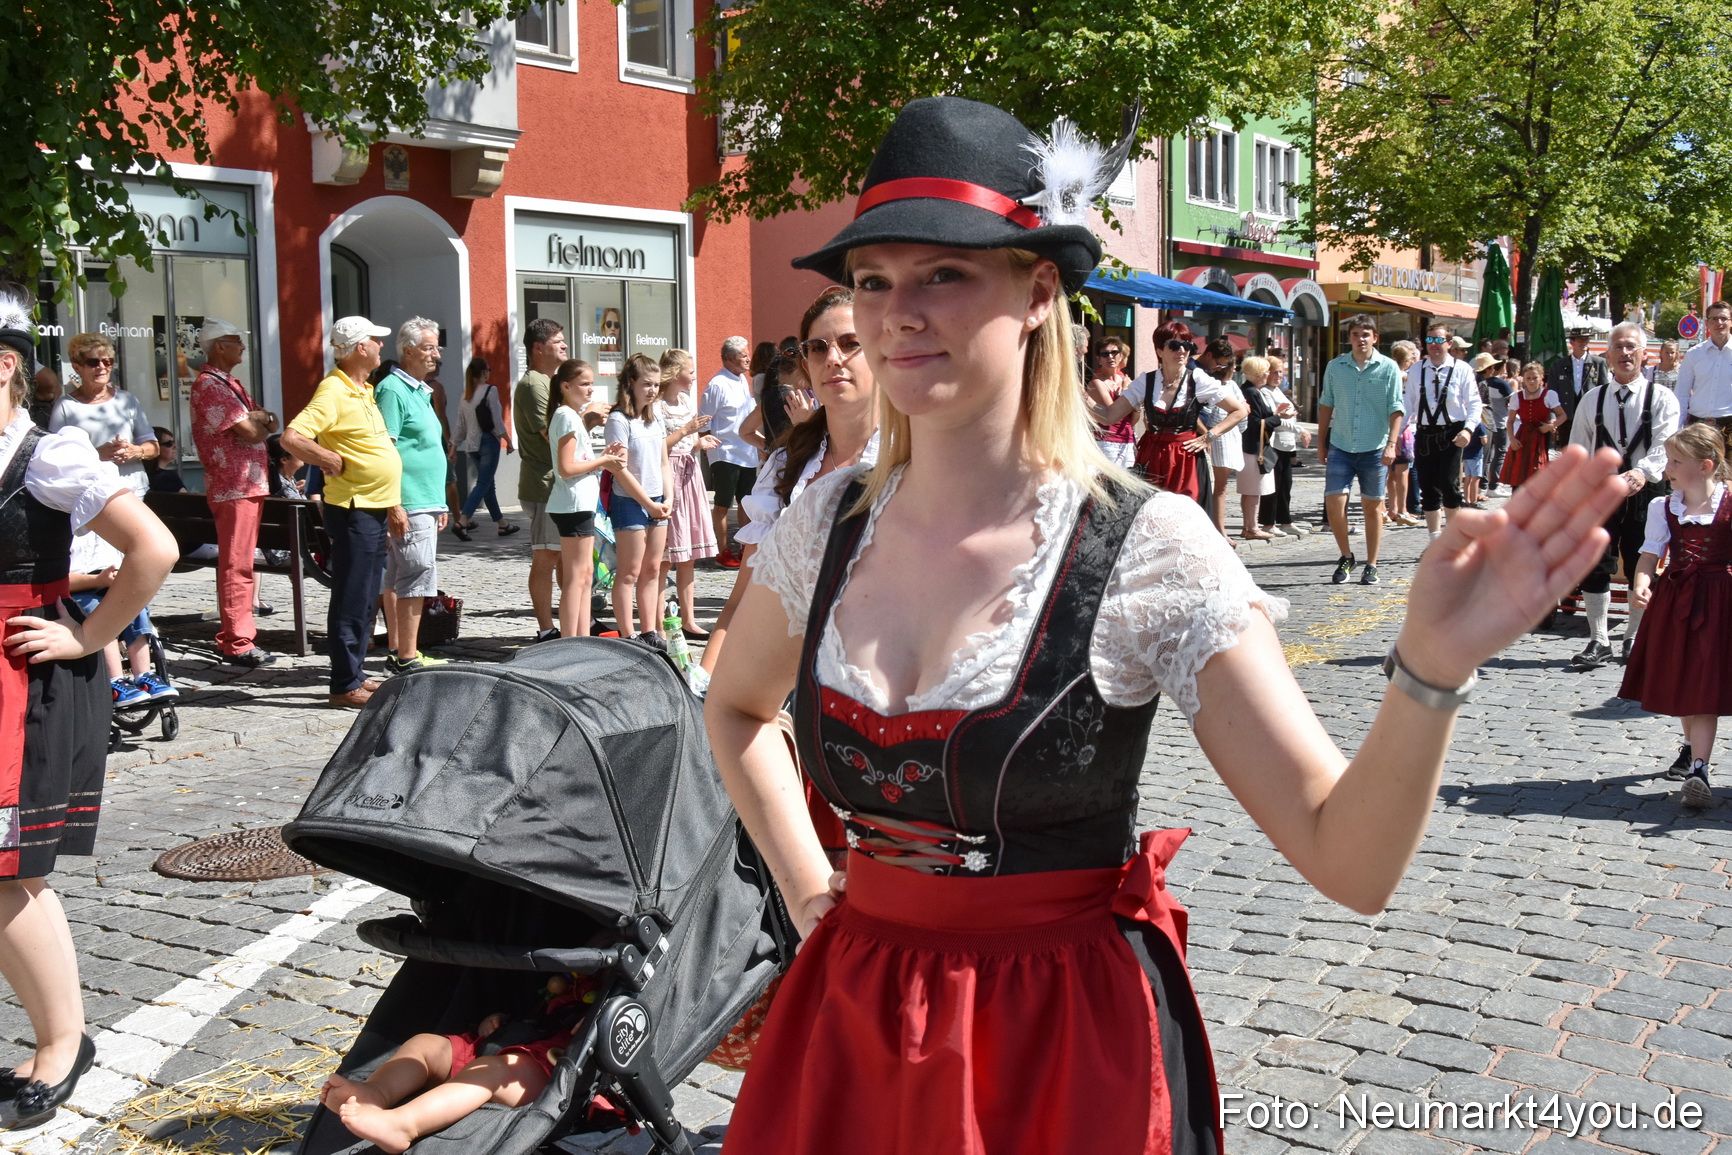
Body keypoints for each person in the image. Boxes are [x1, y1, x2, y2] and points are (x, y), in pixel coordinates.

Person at [702, 95, 1625, 1155]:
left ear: (1039, 290)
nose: (896, 312)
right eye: (873, 281)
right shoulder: (826, 523)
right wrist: (810, 886)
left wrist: (1430, 667)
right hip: (852, 1021)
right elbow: (733, 704)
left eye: (943, 274)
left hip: (1053, 1049)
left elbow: (1347, 861)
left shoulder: (1145, 544)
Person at [0, 284, 177, 1131]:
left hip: (22, 681)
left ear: (1, 366)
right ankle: (57, 1034)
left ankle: (63, 1041)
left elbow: (155, 548)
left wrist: (86, 636)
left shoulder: (45, 454)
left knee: (8, 874)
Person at [701, 286, 879, 678]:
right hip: (787, 688)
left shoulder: (914, 456)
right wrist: (705, 687)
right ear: (806, 363)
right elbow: (740, 604)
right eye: (818, 347)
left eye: (851, 343)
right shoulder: (787, 463)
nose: (833, 358)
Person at [319, 972, 597, 1154]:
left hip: (546, 1070)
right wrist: (500, 1019)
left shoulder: (613, 992)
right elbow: (535, 1008)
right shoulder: (565, 981)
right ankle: (376, 1092)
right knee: (426, 1043)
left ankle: (403, 1125)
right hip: (501, 1044)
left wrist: (599, 1023)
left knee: (490, 1070)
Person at [281, 316, 405, 708]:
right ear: (358, 348)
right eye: (375, 340)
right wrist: (326, 459)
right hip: (352, 509)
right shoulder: (333, 391)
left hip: (371, 506)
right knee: (352, 596)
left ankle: (355, 673)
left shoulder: (362, 390)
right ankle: (343, 684)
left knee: (367, 594)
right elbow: (292, 436)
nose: (381, 346)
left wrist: (394, 504)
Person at [1620, 424, 1732, 808]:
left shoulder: (1730, 503)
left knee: (1703, 686)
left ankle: (1699, 767)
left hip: (1720, 600)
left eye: (1675, 461)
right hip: (1676, 601)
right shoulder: (1663, 506)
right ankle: (1691, 747)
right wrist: (1640, 582)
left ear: (1705, 466)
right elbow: (1650, 553)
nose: (1667, 468)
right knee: (1685, 680)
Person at [1567, 321, 1680, 670]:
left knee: (1640, 562)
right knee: (1595, 562)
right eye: (1618, 347)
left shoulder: (1661, 397)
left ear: (1644, 353)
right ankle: (1599, 640)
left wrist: (1641, 472)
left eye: (1631, 346)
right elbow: (1578, 448)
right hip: (1601, 493)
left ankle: (1634, 637)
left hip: (1647, 493)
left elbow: (1666, 444)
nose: (1625, 353)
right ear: (1609, 354)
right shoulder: (1592, 399)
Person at [188, 318, 278, 667]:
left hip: (247, 483)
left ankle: (237, 636)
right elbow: (254, 432)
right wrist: (259, 420)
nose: (243, 346)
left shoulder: (230, 384)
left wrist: (261, 419)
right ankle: (237, 640)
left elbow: (269, 422)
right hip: (233, 485)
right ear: (218, 346)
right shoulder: (210, 385)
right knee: (237, 564)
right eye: (236, 341)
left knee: (241, 563)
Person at [1091, 321, 1246, 502]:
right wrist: (1078, 396)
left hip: (1185, 459)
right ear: (1159, 351)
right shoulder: (1146, 381)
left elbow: (1239, 410)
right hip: (1152, 456)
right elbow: (1109, 416)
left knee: (1185, 515)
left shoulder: (1198, 379)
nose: (1181, 351)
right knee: (1150, 513)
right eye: (1174, 345)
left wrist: (1208, 437)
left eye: (1187, 345)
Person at [375, 319, 452, 675]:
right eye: (428, 348)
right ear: (408, 351)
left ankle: (398, 649)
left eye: (436, 348)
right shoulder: (393, 389)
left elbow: (426, 447)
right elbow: (384, 450)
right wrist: (394, 503)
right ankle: (407, 655)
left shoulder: (420, 389)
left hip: (424, 500)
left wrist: (440, 502)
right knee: (417, 575)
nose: (436, 354)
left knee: (399, 575)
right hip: (408, 499)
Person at [1318, 315, 1404, 584]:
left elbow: (1396, 408)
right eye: (1355, 334)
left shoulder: (1388, 368)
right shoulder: (1335, 366)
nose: (1360, 339)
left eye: (1366, 334)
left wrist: (1391, 444)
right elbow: (1325, 405)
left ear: (1375, 338)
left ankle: (1372, 563)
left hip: (1374, 447)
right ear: (1350, 338)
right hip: (1341, 444)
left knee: (1372, 507)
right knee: (1334, 503)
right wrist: (1322, 441)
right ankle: (1346, 556)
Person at [546, 360, 622, 639]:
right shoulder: (566, 416)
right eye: (584, 384)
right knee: (577, 577)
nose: (590, 389)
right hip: (573, 503)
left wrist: (601, 458)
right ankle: (571, 640)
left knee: (585, 574)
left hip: (580, 502)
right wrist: (602, 461)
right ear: (566, 386)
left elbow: (578, 461)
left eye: (591, 383)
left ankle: (581, 638)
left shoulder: (570, 416)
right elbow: (566, 468)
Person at [604, 354, 671, 638]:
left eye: (656, 385)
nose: (652, 390)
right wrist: (648, 504)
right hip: (629, 501)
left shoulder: (655, 420)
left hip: (658, 501)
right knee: (630, 571)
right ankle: (629, 634)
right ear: (631, 383)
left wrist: (668, 499)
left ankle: (650, 631)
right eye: (646, 384)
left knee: (653, 570)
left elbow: (664, 463)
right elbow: (619, 470)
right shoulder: (619, 420)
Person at [656, 348, 721, 638]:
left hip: (689, 473)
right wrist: (686, 431)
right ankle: (656, 622)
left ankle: (688, 619)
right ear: (675, 373)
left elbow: (688, 442)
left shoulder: (683, 400)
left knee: (688, 554)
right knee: (665, 556)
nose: (694, 377)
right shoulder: (657, 405)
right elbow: (658, 446)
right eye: (691, 372)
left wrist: (700, 442)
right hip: (668, 474)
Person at [51, 333, 159, 495]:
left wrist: (134, 451)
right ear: (77, 368)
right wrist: (96, 455)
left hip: (132, 489)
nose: (102, 367)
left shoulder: (127, 400)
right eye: (93, 362)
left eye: (107, 361)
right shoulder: (65, 407)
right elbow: (55, 459)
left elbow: (154, 448)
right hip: (91, 493)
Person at [1405, 322, 1483, 539]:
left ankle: (1454, 539)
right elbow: (1407, 404)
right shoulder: (1416, 369)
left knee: (1450, 486)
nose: (1434, 345)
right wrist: (1393, 437)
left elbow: (1475, 403)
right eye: (1430, 340)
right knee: (1428, 488)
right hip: (1424, 433)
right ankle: (1435, 540)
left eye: (1439, 340)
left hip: (1452, 433)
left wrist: (1468, 430)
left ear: (1449, 343)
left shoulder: (1462, 369)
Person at [515, 318, 567, 642]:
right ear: (539, 348)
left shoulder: (547, 382)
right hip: (543, 484)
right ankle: (546, 629)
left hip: (556, 483)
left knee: (562, 555)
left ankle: (575, 621)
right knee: (546, 555)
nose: (564, 345)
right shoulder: (535, 384)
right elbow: (554, 436)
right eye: (557, 341)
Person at [700, 336, 757, 569]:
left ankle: (744, 547)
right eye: (744, 355)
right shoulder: (716, 385)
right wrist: (705, 445)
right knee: (723, 503)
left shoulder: (743, 380)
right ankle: (722, 549)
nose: (748, 359)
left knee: (746, 502)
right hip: (725, 453)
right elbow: (704, 421)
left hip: (747, 451)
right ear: (731, 358)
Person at [456, 357, 518, 538]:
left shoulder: (465, 395)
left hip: (471, 444)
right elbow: (497, 421)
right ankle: (463, 520)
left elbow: (460, 425)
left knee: (488, 485)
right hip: (488, 442)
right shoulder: (490, 391)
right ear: (484, 372)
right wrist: (508, 440)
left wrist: (453, 447)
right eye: (489, 370)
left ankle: (502, 524)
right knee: (483, 483)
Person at [1256, 353, 1311, 537]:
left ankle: (1285, 520)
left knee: (1285, 485)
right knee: (1273, 485)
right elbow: (1276, 419)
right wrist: (1299, 430)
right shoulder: (1265, 391)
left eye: (1281, 372)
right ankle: (1268, 522)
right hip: (1275, 444)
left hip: (1286, 445)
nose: (1279, 376)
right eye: (1275, 372)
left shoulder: (1278, 391)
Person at [1500, 362, 1566, 489]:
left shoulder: (1549, 395)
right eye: (1528, 378)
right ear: (1523, 379)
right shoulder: (1517, 397)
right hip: (1523, 436)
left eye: (1535, 378)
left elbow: (1563, 415)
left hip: (1541, 436)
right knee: (1519, 469)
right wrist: (1512, 439)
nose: (1531, 381)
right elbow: (1510, 421)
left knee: (1538, 469)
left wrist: (1550, 426)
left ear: (1541, 377)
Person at [1235, 355, 1279, 540]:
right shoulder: (1251, 391)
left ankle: (1249, 526)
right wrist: (1277, 418)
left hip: (1251, 445)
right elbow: (1256, 421)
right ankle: (1251, 527)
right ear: (1259, 373)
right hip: (1253, 446)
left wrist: (1275, 413)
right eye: (1267, 371)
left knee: (1251, 489)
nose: (1269, 374)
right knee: (1253, 489)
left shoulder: (1250, 390)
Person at [1676, 300, 1732, 440]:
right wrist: (1677, 427)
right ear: (1707, 323)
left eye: (1724, 318)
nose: (1719, 322)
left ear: (1731, 322)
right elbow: (1681, 395)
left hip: (1729, 425)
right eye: (1714, 319)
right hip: (1697, 425)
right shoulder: (1694, 354)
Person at [1546, 326, 1608, 444]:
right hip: (1566, 416)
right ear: (1572, 342)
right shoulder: (1558, 365)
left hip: (1591, 415)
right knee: (1567, 450)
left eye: (1586, 339)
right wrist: (1553, 416)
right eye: (1580, 340)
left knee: (1589, 450)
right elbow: (1552, 394)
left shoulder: (1599, 363)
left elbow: (1605, 391)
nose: (1584, 343)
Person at [1384, 340, 1421, 527]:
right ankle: (1402, 510)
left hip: (1387, 426)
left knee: (1389, 472)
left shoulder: (1386, 374)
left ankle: (1390, 509)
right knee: (1403, 471)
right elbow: (1409, 404)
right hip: (1403, 427)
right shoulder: (1405, 377)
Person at [1083, 336, 1136, 469]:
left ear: (1120, 356)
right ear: (1098, 359)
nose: (1110, 357)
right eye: (1105, 354)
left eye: (1114, 353)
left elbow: (1134, 419)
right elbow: (1113, 415)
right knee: (1111, 487)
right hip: (1107, 443)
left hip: (1128, 441)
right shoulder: (1096, 383)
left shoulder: (1124, 379)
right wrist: (1126, 391)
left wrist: (1137, 407)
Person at [1474, 352, 1513, 494]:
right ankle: (1490, 486)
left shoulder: (1476, 380)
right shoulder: (1486, 383)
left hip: (1483, 423)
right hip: (1490, 423)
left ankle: (1482, 486)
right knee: (1496, 453)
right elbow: (1485, 406)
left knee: (1486, 456)